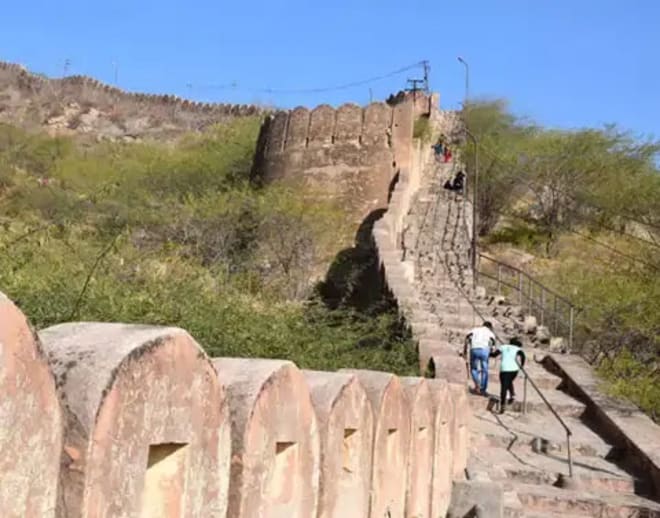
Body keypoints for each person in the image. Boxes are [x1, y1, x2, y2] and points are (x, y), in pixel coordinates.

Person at [490, 337, 526, 414]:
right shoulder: (517, 348)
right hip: (514, 370)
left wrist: (489, 352)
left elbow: (494, 355)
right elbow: (523, 356)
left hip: (504, 369)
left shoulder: (503, 347)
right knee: (508, 381)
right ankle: (512, 394)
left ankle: (503, 405)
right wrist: (521, 366)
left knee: (504, 387)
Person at [464, 321, 496, 395]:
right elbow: (492, 343)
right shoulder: (490, 333)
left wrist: (465, 349)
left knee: (474, 368)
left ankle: (477, 384)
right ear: (490, 327)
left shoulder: (475, 330)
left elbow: (467, 337)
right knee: (484, 370)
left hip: (474, 348)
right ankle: (483, 388)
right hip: (485, 350)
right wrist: (491, 351)